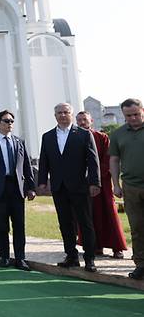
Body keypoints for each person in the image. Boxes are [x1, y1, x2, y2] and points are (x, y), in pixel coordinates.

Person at [39, 103, 100, 273]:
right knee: (65, 223)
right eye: (59, 112)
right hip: (59, 187)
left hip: (80, 186)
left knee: (85, 223)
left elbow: (93, 161)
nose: (63, 115)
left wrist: (95, 183)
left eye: (66, 112)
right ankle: (71, 256)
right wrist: (42, 181)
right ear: (55, 115)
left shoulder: (83, 134)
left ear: (71, 115)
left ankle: (89, 259)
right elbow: (44, 160)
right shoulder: (48, 136)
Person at [0, 110, 36, 271]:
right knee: (1, 225)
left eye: (12, 121)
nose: (10, 124)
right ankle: (4, 257)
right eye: (6, 121)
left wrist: (31, 187)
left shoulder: (19, 142)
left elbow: (27, 166)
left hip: (17, 188)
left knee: (19, 225)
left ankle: (20, 258)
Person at [76, 111, 127, 259]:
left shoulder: (102, 137)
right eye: (79, 120)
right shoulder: (74, 138)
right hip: (82, 184)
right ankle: (94, 246)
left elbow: (109, 158)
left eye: (84, 120)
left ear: (91, 120)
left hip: (102, 183)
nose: (82, 123)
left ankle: (117, 248)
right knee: (88, 215)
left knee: (109, 214)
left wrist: (95, 177)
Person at [110, 98, 144, 280]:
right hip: (130, 187)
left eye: (136, 114)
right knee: (137, 227)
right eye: (128, 115)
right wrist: (115, 184)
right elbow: (114, 160)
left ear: (143, 111)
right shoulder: (118, 134)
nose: (133, 118)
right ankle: (140, 264)